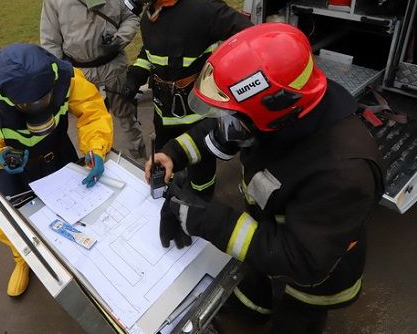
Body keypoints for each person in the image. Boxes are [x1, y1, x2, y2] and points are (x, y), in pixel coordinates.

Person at [150, 23, 386, 333]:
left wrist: (207, 219)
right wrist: (174, 153)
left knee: (294, 321)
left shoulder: (342, 173)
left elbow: (300, 260)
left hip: (310, 282)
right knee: (252, 296)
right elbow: (227, 125)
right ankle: (251, 311)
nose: (226, 124)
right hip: (268, 239)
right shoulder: (283, 112)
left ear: (271, 114)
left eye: (233, 117)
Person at [0, 43, 113, 297]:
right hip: (11, 166)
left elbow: (92, 111)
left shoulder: (65, 76)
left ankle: (76, 259)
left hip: (57, 154)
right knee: (7, 220)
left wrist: (96, 147)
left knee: (73, 208)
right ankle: (23, 257)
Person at [122, 0, 252, 197]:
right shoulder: (152, 13)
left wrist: (226, 84)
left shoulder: (206, 11)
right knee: (165, 162)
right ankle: (170, 199)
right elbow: (152, 52)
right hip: (162, 114)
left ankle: (200, 205)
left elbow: (251, 40)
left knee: (200, 171)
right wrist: (136, 73)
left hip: (197, 117)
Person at [41, 0, 145, 158]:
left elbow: (131, 17)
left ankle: (138, 152)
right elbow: (50, 43)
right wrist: (62, 77)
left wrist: (119, 39)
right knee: (89, 121)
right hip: (81, 74)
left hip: (114, 67)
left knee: (126, 114)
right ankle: (95, 158)